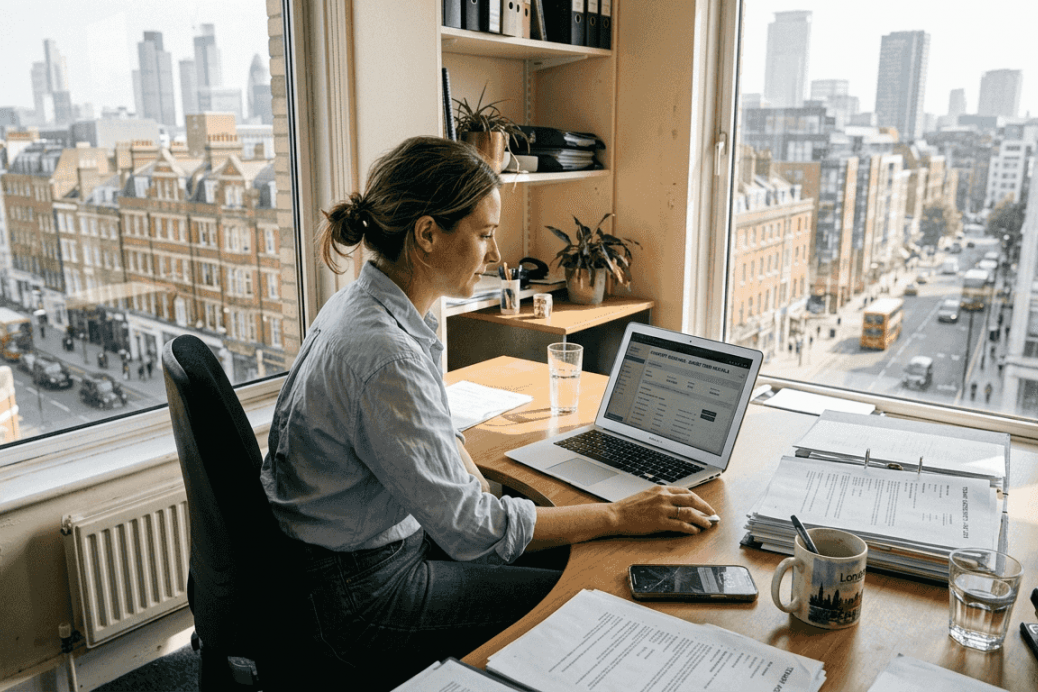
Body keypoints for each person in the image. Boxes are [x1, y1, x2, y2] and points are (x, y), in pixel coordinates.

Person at [260, 137, 716, 691]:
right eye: (484, 235)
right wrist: (619, 516)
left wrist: (490, 490)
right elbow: (472, 532)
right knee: (581, 592)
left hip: (325, 565)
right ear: (427, 235)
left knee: (564, 549)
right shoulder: (386, 356)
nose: (496, 256)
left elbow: (427, 440)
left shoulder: (362, 307)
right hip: (357, 600)